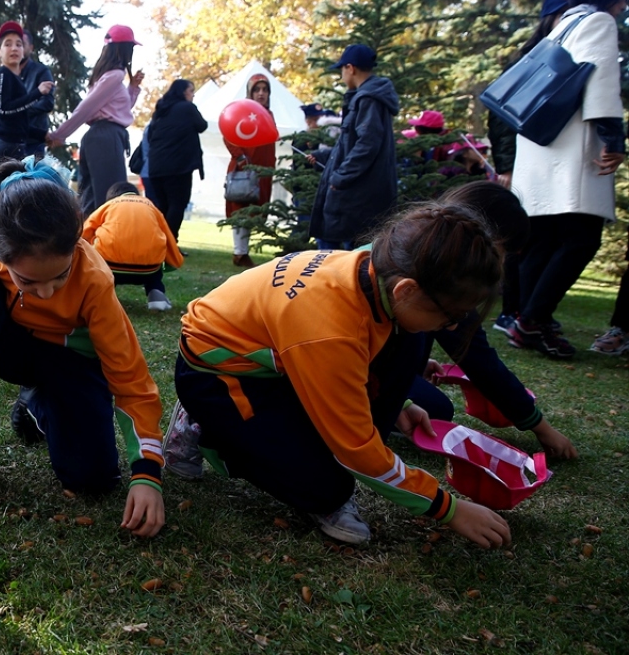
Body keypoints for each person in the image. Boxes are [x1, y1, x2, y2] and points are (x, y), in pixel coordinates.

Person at [175, 201, 512, 548]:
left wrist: (400, 403)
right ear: (407, 290)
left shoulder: (375, 263)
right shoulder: (331, 329)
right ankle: (203, 428)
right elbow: (356, 448)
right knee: (326, 489)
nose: (453, 326)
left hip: (281, 362)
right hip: (216, 377)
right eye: (451, 315)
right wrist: (448, 508)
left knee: (410, 341)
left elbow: (357, 357)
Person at [0, 157, 165, 538]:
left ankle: (35, 405)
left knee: (93, 479)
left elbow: (130, 377)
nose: (47, 293)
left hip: (69, 361)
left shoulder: (95, 278)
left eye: (60, 276)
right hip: (10, 350)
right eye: (28, 281)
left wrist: (147, 472)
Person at [504, 0, 628, 360]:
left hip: (540, 146)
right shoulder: (598, 22)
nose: (625, 5)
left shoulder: (563, 24)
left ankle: (526, 319)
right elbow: (601, 78)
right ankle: (532, 320)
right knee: (581, 237)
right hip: (573, 147)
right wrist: (613, 137)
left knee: (542, 239)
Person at [407, 182, 577, 459]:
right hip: (346, 369)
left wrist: (412, 359)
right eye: (503, 252)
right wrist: (542, 428)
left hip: (366, 359)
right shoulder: (446, 277)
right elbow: (480, 361)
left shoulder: (421, 250)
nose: (502, 263)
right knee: (434, 408)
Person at [487, 0, 569, 334]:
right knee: (521, 239)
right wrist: (506, 166)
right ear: (550, 18)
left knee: (547, 239)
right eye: (564, 13)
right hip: (523, 168)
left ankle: (529, 311)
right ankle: (510, 311)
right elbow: (502, 117)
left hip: (554, 168)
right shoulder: (530, 62)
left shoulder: (571, 62)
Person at [308, 44, 399, 251]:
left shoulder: (368, 99)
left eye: (342, 69)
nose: (341, 76)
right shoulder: (365, 97)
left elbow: (367, 145)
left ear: (351, 68)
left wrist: (340, 178)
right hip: (357, 194)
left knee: (343, 255)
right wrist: (325, 156)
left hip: (358, 197)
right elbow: (352, 143)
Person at [46, 25, 144, 215]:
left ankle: (85, 234)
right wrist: (59, 135)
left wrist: (133, 88)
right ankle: (104, 235)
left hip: (99, 138)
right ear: (123, 49)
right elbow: (85, 108)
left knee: (91, 202)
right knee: (111, 202)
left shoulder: (106, 77)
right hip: (106, 138)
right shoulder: (115, 76)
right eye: (130, 48)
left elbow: (119, 110)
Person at [83, 181, 184, 311]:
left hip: (110, 266)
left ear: (111, 197)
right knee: (154, 271)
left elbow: (86, 230)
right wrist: (176, 260)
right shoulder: (150, 206)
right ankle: (156, 295)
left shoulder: (109, 205)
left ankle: (102, 294)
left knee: (104, 264)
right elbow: (167, 234)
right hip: (149, 269)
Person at [0, 21, 54, 166]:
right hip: (6, 146)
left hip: (9, 145)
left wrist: (42, 135)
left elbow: (16, 121)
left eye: (19, 44)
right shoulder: (3, 73)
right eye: (8, 44)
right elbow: (4, 110)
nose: (14, 48)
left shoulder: (14, 78)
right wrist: (37, 93)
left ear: (25, 50)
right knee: (23, 181)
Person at [144, 78, 207, 242]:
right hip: (178, 166)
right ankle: (169, 243)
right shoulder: (187, 108)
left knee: (162, 206)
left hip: (156, 166)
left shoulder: (161, 111)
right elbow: (202, 125)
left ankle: (158, 242)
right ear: (183, 92)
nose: (193, 95)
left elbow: (150, 135)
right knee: (177, 204)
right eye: (191, 91)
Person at [224, 74, 277, 268]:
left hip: (263, 170)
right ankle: (240, 253)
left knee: (255, 210)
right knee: (240, 208)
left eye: (264, 90)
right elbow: (228, 134)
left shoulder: (269, 115)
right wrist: (240, 157)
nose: (261, 93)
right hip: (243, 169)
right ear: (250, 92)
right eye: (257, 90)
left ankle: (243, 251)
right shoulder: (242, 110)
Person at [19, 30, 56, 160]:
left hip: (32, 142)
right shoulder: (6, 75)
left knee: (32, 173)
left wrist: (19, 111)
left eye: (21, 44)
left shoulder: (41, 71)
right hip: (9, 141)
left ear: (31, 48)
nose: (17, 48)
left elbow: (47, 103)